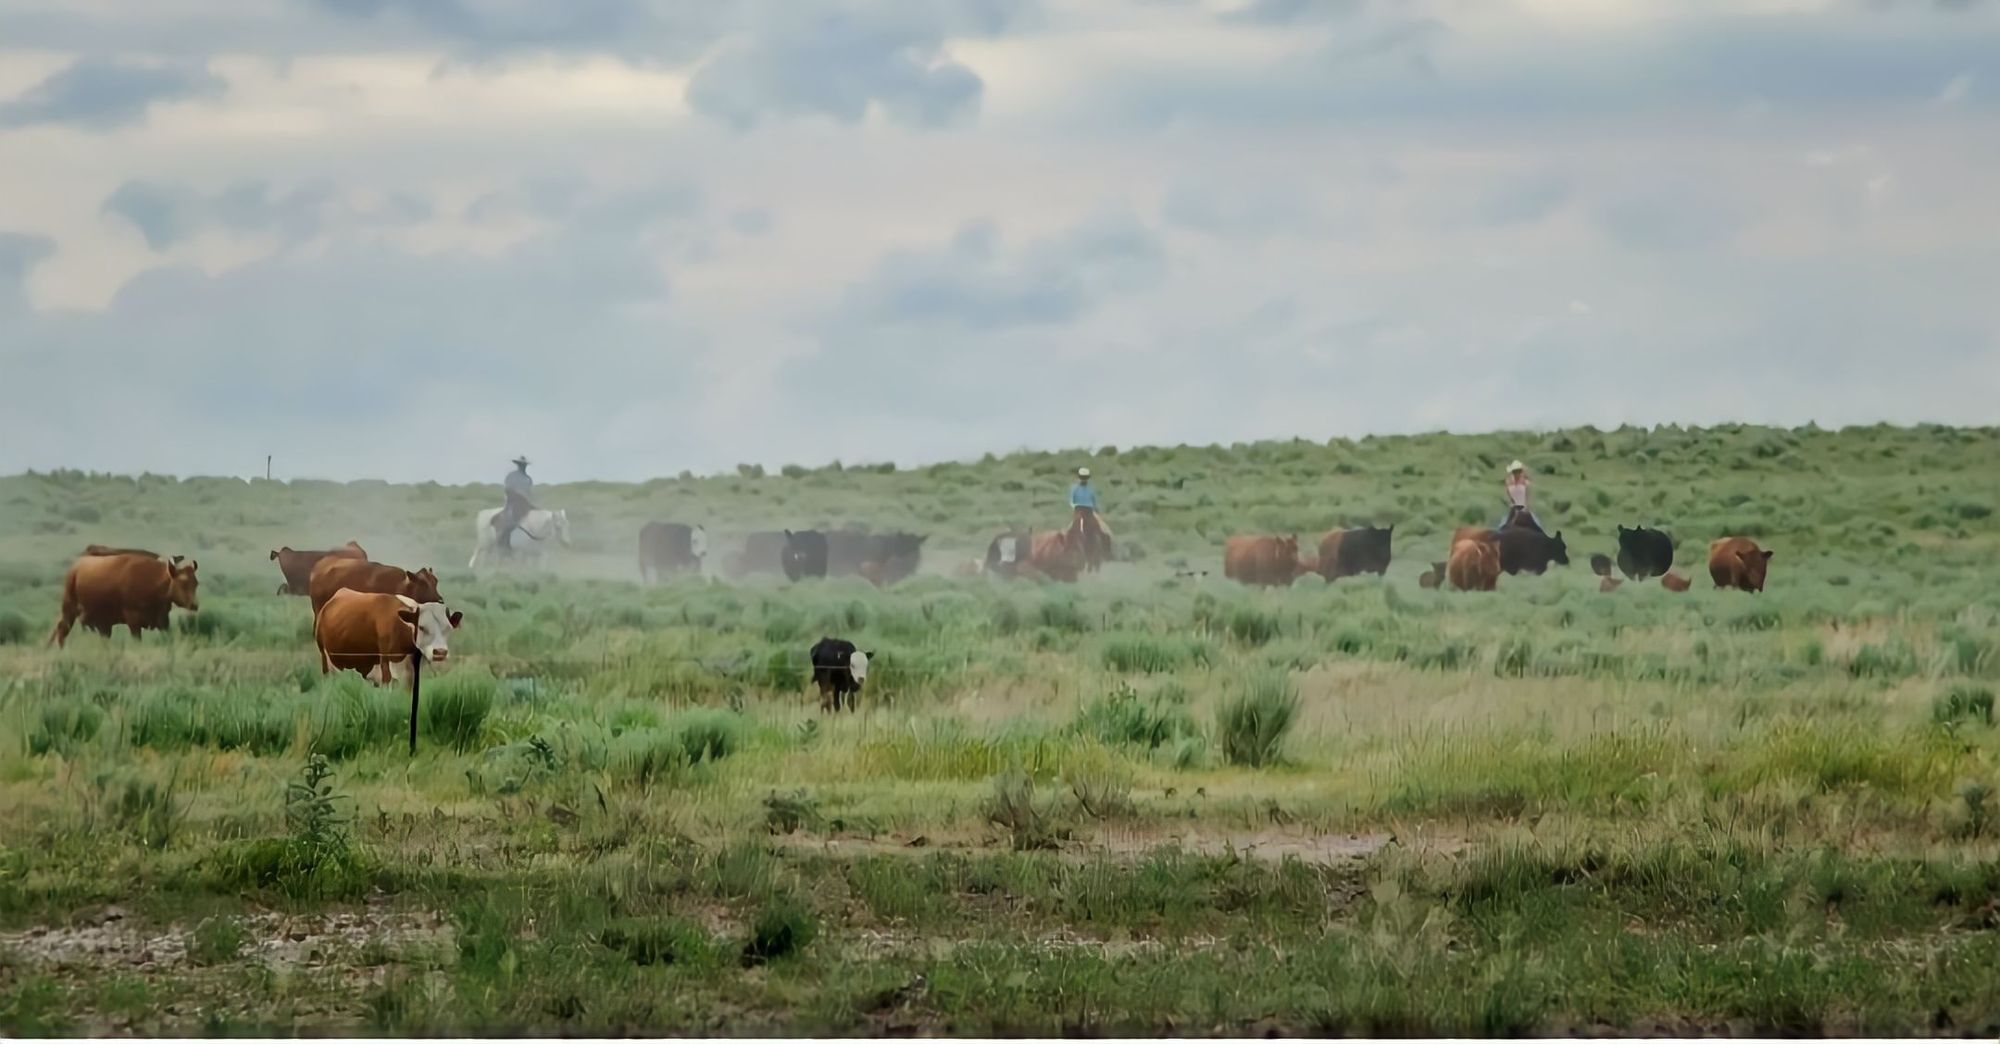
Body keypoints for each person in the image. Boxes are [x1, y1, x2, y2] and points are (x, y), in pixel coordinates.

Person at [495, 456, 535, 552]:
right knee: (510, 521)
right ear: (518, 465)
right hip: (511, 502)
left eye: (524, 465)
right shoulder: (511, 476)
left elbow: (528, 493)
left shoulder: (528, 479)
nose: (523, 467)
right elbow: (507, 489)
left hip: (524, 503)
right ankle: (502, 543)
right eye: (521, 465)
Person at [1498, 459, 1543, 530]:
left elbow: (1528, 495)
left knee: (1537, 525)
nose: (1517, 473)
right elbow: (1508, 496)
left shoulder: (1525, 482)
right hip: (1513, 507)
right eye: (1515, 471)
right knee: (1502, 525)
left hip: (1524, 507)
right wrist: (1511, 504)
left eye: (1518, 471)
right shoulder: (1508, 482)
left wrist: (1526, 507)